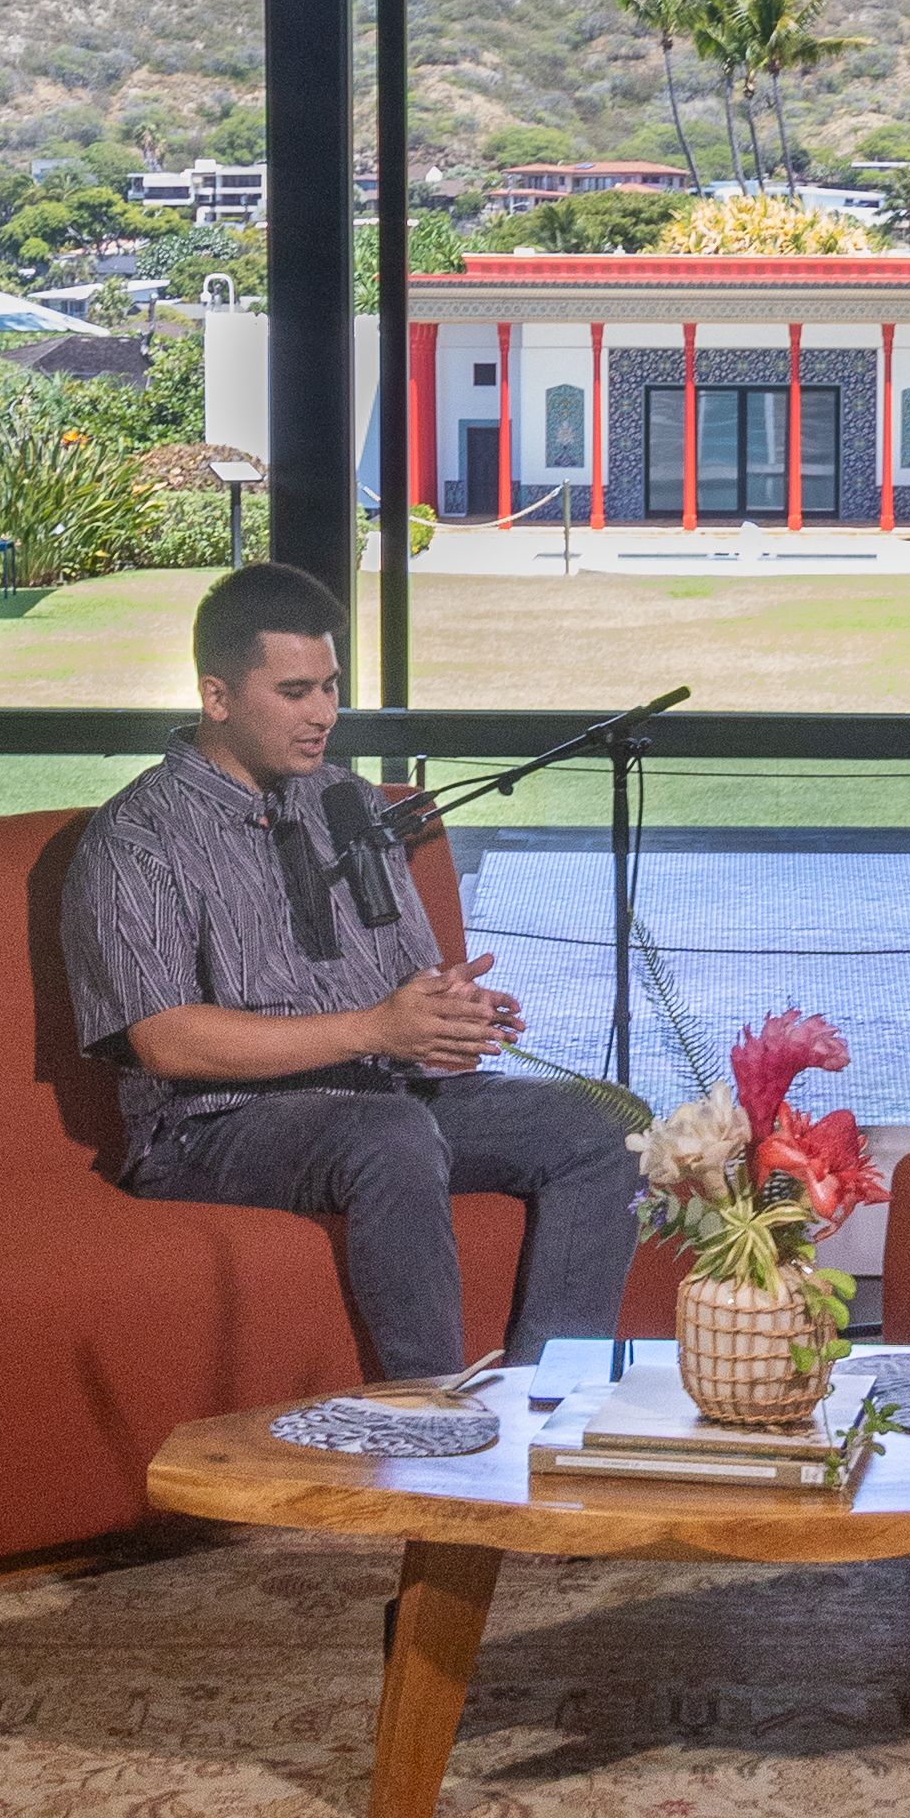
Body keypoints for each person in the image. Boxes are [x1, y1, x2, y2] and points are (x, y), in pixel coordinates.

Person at [57, 561, 641, 1378]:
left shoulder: (352, 806)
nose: (324, 715)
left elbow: (401, 988)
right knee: (390, 1137)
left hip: (383, 1095)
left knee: (606, 1126)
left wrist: (440, 1017)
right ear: (217, 696)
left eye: (331, 688)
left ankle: (548, 1403)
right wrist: (375, 1028)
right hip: (214, 1130)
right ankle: (431, 1425)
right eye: (296, 692)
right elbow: (164, 1040)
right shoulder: (137, 838)